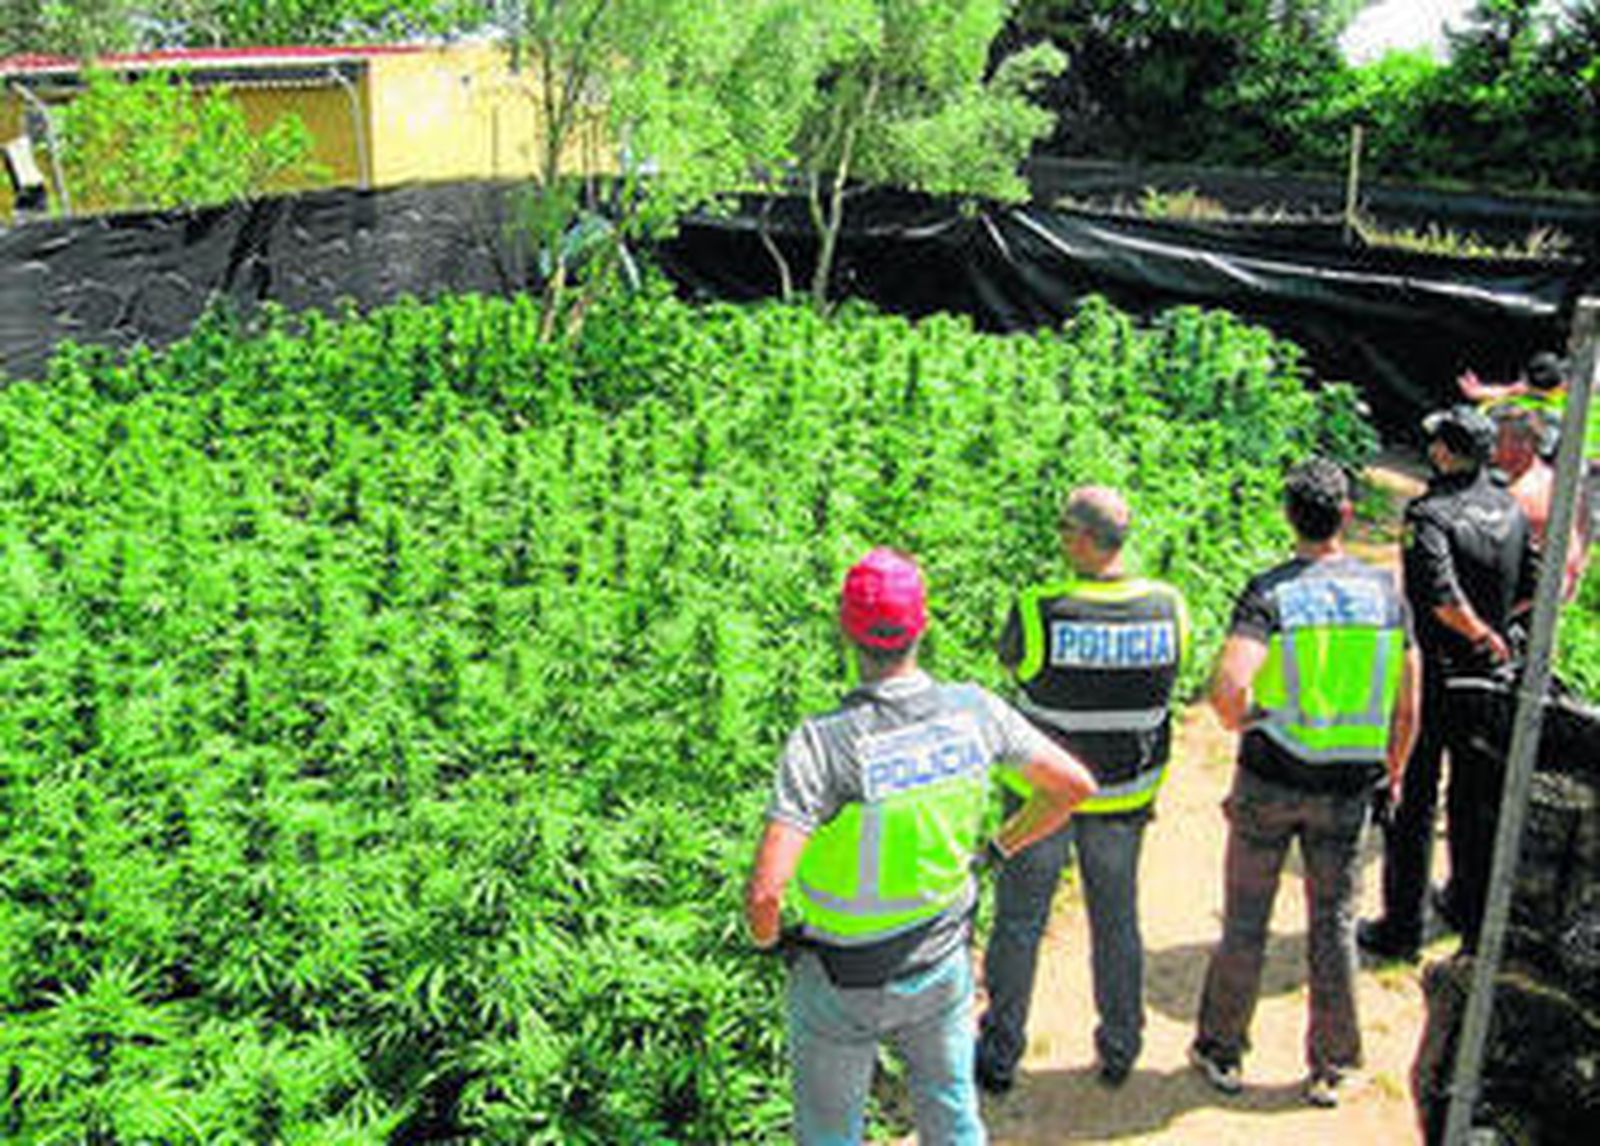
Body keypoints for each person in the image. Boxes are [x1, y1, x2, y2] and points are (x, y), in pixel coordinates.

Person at [745, 547, 1098, 1145]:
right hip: (940, 959)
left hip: (839, 976)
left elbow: (766, 891)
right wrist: (999, 848)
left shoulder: (822, 744)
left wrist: (769, 941)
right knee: (952, 1114)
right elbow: (1074, 786)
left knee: (830, 1133)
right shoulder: (975, 711)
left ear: (845, 629)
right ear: (922, 626)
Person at [1191, 458, 1421, 1109]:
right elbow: (1408, 704)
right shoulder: (1386, 597)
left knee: (1244, 920)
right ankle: (1332, 1065)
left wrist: (1252, 720)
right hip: (1349, 787)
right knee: (1335, 923)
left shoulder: (1270, 593)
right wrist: (1395, 769)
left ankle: (1221, 1049)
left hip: (1269, 778)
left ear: (1290, 514)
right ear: (1346, 515)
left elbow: (1227, 689)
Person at [974, 487, 1187, 1093]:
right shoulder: (1170, 604)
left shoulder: (1041, 606)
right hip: (1123, 797)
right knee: (1117, 920)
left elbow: (1012, 665)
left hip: (1045, 799)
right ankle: (1120, 1046)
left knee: (1019, 921)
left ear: (1087, 540)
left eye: (1065, 527)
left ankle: (999, 1053)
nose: (1060, 537)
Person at [1359, 405, 1537, 960]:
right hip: (1488, 677)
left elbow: (1440, 596)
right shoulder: (1509, 508)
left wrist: (1478, 631)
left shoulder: (1429, 514)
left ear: (1444, 451)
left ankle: (1401, 926)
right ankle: (1465, 906)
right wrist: (1496, 634)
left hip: (1436, 676)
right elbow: (1532, 582)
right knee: (1472, 799)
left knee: (1412, 801)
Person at [1492, 404, 1587, 600]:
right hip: (1563, 586)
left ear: (1523, 444)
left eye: (1498, 439)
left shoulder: (1520, 495)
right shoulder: (1553, 478)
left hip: (1537, 601)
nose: (1491, 447)